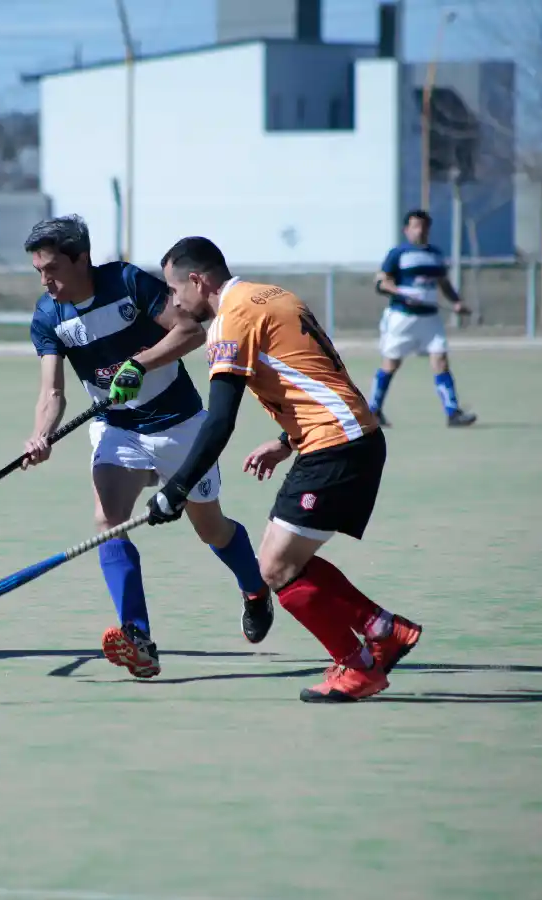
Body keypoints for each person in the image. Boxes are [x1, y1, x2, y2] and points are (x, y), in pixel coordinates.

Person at [145, 236, 422, 702]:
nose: (175, 301)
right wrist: (284, 441)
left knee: (274, 569)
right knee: (288, 560)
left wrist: (176, 489)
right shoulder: (271, 294)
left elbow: (219, 421)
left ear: (198, 280)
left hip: (335, 448)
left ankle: (360, 668)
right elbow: (317, 374)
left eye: (175, 290)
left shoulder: (231, 320)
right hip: (349, 437)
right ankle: (383, 630)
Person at [23, 216, 271, 679]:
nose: (46, 280)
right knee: (107, 521)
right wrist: (41, 435)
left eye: (53, 268)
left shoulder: (126, 281)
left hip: (179, 424)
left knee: (211, 529)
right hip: (117, 429)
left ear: (82, 259)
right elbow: (52, 393)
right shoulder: (47, 315)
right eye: (39, 270)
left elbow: (190, 332)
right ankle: (137, 637)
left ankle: (255, 590)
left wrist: (138, 363)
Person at [368, 209, 476, 427]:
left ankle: (453, 413)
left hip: (430, 319)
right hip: (402, 318)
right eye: (416, 226)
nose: (421, 231)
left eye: (424, 226)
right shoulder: (398, 253)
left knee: (441, 361)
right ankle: (373, 411)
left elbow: (444, 284)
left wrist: (456, 302)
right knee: (391, 364)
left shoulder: (435, 254)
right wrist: (400, 293)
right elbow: (381, 282)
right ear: (406, 230)